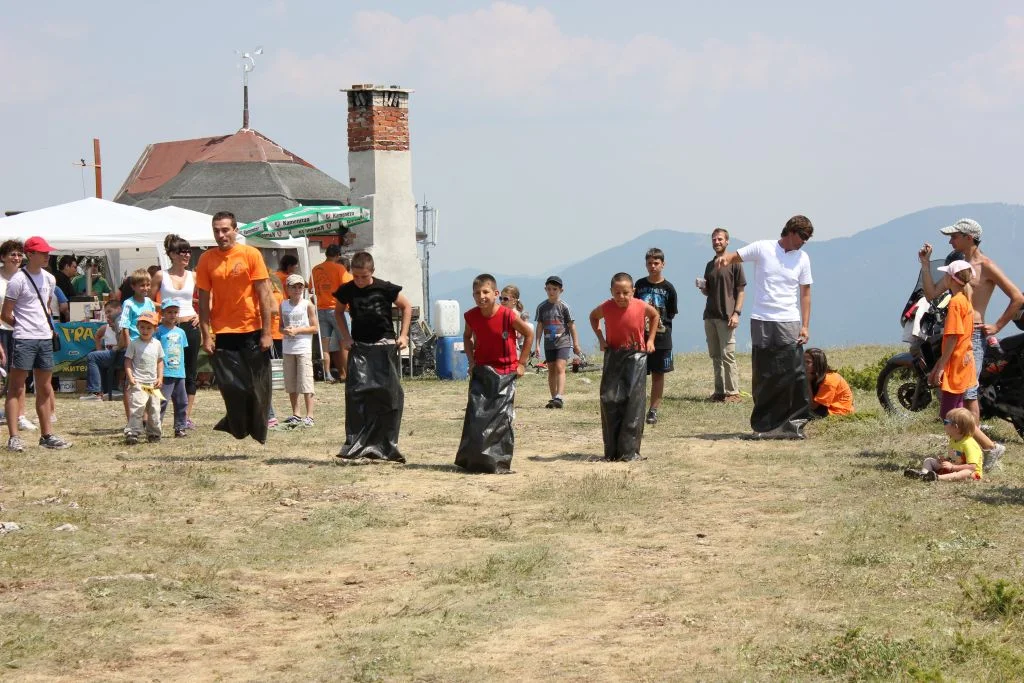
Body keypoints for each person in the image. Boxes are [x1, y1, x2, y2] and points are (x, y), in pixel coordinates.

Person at [918, 218, 1016, 463]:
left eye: (955, 236)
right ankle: (973, 446)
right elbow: (931, 294)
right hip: (958, 329)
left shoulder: (986, 266)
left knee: (969, 394)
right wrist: (925, 264)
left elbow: (1017, 297)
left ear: (969, 238)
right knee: (967, 394)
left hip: (972, 334)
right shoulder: (958, 267)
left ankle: (981, 448)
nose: (950, 241)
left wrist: (997, 325)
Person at [715, 216, 813, 438]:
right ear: (791, 232)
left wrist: (805, 326)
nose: (804, 242)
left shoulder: (803, 258)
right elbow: (736, 256)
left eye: (807, 238)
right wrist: (725, 259)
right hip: (762, 319)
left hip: (789, 320)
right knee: (765, 371)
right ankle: (765, 425)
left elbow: (805, 293)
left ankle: (792, 424)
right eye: (802, 237)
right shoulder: (763, 248)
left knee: (792, 371)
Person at [196, 211, 275, 444]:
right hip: (223, 331)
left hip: (251, 328)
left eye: (225, 230)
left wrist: (267, 332)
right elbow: (202, 301)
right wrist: (206, 335)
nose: (221, 235)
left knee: (256, 386)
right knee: (230, 386)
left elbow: (264, 296)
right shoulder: (207, 259)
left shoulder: (251, 254)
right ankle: (237, 425)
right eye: (216, 231)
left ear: (235, 230)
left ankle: (258, 429)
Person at [334, 251, 412, 462]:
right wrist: (346, 337)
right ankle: (357, 445)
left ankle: (386, 446)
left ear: (372, 272)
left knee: (387, 397)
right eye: (356, 276)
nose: (359, 281)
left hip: (384, 346)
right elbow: (338, 312)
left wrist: (403, 335)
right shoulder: (347, 290)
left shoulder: (385, 288)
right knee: (358, 396)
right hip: (360, 347)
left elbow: (406, 307)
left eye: (364, 277)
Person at [456, 273, 534, 473]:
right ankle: (473, 460)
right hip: (482, 370)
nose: (481, 296)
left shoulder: (508, 315)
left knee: (500, 418)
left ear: (495, 293)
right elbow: (467, 338)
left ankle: (497, 461)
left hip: (505, 371)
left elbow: (529, 334)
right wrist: (472, 361)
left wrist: (522, 363)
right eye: (476, 293)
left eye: (485, 292)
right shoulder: (471, 316)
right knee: (476, 416)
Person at [1, 236, 71, 451]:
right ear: (29, 254)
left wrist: (44, 328)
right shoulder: (18, 280)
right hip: (24, 338)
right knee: (16, 386)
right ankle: (14, 437)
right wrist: (23, 327)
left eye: (47, 252)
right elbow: (5, 314)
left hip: (44, 338)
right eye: (42, 252)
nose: (47, 255)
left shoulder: (50, 279)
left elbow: (47, 308)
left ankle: (47, 435)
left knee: (44, 387)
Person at [589, 273, 660, 462]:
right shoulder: (606, 307)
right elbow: (593, 317)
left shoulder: (640, 305)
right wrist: (601, 339)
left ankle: (629, 451)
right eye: (617, 293)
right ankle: (612, 451)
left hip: (636, 355)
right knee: (610, 400)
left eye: (625, 293)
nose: (621, 297)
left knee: (632, 402)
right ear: (611, 292)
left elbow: (654, 315)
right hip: (614, 354)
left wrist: (650, 339)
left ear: (633, 291)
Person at [150, 234, 200, 428]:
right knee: (163, 369)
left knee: (190, 370)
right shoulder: (161, 275)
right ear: (171, 254)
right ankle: (156, 413)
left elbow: (206, 298)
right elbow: (150, 299)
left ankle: (185, 417)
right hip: (168, 326)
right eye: (182, 252)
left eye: (188, 251)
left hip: (190, 325)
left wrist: (201, 316)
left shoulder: (194, 275)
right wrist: (166, 311)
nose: (186, 255)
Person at [700, 228, 746, 403]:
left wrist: (736, 313)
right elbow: (709, 291)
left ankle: (733, 392)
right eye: (714, 239)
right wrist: (704, 288)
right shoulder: (709, 265)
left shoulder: (735, 263)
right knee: (715, 355)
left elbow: (741, 291)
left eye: (720, 239)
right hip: (710, 315)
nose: (716, 242)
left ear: (727, 241)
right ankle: (719, 392)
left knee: (728, 355)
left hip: (726, 316)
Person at [634, 247, 678, 425]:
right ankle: (637, 407)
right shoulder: (640, 285)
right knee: (638, 375)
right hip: (640, 336)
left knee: (659, 374)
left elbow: (671, 313)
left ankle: (653, 410)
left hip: (662, 338)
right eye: (649, 263)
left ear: (663, 264)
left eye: (656, 263)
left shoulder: (669, 288)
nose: (653, 266)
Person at [927, 260, 976, 419]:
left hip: (955, 361)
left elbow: (953, 336)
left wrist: (942, 365)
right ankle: (962, 442)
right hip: (965, 359)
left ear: (952, 278)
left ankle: (986, 444)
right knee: (957, 408)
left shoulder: (955, 302)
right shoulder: (965, 299)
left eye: (946, 274)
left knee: (948, 414)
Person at [0, 239, 36, 431]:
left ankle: (19, 415)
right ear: (2, 257)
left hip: (20, 331)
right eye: (12, 254)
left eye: (19, 254)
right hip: (1, 330)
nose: (16, 258)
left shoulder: (26, 277)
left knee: (19, 375)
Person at [534, 275, 581, 409]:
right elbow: (540, 326)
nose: (551, 292)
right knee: (551, 370)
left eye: (554, 289)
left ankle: (559, 396)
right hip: (549, 344)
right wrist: (537, 344)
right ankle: (553, 397)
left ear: (561, 290)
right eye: (549, 289)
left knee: (560, 367)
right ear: (545, 289)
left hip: (563, 342)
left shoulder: (564, 307)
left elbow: (571, 325)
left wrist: (576, 344)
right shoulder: (541, 307)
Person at [310, 244, 353, 383]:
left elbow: (311, 291)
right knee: (345, 343)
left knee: (325, 346)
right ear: (338, 255)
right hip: (337, 311)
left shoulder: (315, 269)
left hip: (320, 310)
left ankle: (327, 374)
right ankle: (349, 375)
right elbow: (349, 288)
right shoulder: (340, 269)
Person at [280, 273, 318, 427]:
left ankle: (310, 416)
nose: (297, 290)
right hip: (288, 348)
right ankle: (296, 413)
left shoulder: (308, 304)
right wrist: (285, 331)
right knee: (291, 382)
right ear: (287, 289)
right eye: (293, 287)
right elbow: (280, 327)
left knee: (306, 381)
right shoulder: (283, 305)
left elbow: (315, 328)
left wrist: (298, 330)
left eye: (300, 287)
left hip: (303, 347)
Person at [904, 408, 983, 482]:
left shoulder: (969, 444)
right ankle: (923, 475)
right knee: (929, 461)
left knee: (967, 472)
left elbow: (972, 467)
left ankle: (937, 478)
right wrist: (945, 460)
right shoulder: (953, 440)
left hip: (974, 475)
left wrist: (952, 467)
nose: (943, 424)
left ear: (956, 427)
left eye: (946, 422)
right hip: (953, 467)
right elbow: (955, 457)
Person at [124, 311, 164, 445]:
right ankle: (133, 432)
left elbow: (159, 361)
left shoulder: (157, 344)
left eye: (149, 328)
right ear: (137, 327)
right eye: (142, 327)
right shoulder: (134, 344)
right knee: (137, 407)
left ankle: (154, 433)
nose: (145, 330)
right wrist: (130, 377)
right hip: (138, 382)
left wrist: (160, 377)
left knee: (154, 409)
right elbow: (128, 361)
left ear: (155, 329)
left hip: (153, 383)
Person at [155, 304, 189, 438]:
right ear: (163, 313)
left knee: (182, 401)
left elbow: (182, 351)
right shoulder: (158, 331)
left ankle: (180, 427)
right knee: (162, 401)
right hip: (165, 372)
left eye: (175, 312)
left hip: (179, 372)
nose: (173, 315)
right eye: (169, 312)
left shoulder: (181, 332)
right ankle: (155, 428)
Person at [80, 300, 123, 400]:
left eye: (109, 312)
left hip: (122, 353)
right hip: (121, 353)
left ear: (119, 309)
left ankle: (95, 393)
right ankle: (108, 391)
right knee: (98, 357)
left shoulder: (120, 320)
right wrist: (100, 350)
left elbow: (124, 338)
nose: (107, 315)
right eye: (106, 313)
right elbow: (98, 336)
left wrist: (118, 347)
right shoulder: (115, 322)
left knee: (92, 356)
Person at [804, 348, 854, 417]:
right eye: (802, 361)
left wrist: (807, 382)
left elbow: (813, 407)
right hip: (824, 408)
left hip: (838, 411)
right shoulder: (814, 376)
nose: (803, 365)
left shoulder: (829, 379)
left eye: (807, 362)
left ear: (817, 364)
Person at [500, 284, 529, 356]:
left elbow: (518, 335)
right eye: (501, 298)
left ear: (514, 301)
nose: (502, 301)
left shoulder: (514, 314)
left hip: (512, 347)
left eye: (505, 299)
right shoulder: (505, 312)